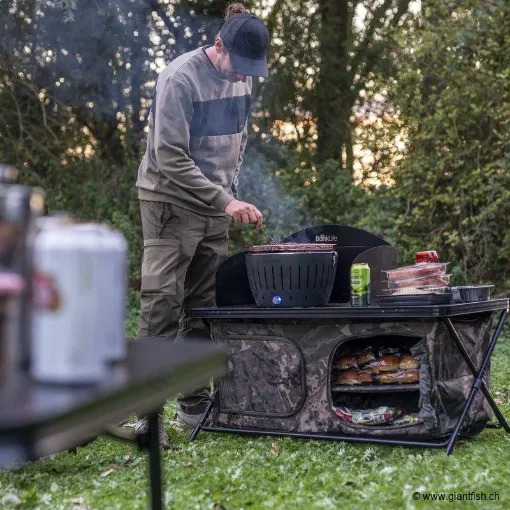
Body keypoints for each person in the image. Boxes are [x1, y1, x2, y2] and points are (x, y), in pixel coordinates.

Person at [134, 3, 270, 446]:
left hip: (216, 205)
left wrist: (229, 192)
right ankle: (146, 414)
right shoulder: (180, 78)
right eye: (239, 65)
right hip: (170, 200)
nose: (242, 75)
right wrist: (225, 200)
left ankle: (194, 407)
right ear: (218, 45)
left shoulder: (243, 74)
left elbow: (239, 135)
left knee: (204, 306)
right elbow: (170, 157)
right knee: (162, 305)